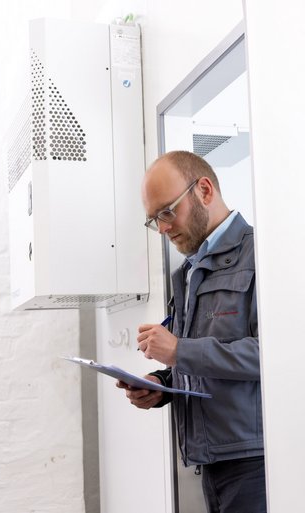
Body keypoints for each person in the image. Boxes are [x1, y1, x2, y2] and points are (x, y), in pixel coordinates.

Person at [116, 150, 265, 513]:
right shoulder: (187, 273)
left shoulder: (260, 254)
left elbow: (270, 354)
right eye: (155, 219)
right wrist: (162, 384)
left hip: (255, 463)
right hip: (208, 462)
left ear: (204, 190)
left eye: (168, 211)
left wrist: (179, 351)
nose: (164, 227)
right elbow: (200, 359)